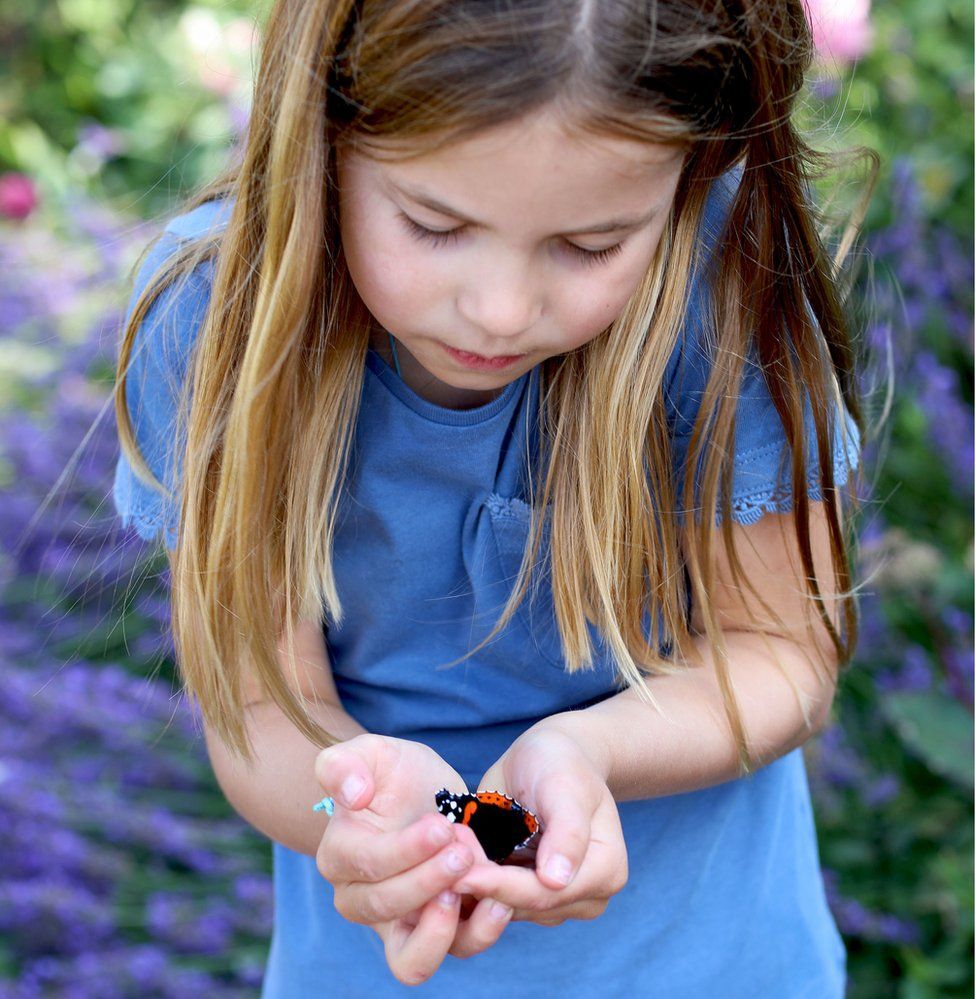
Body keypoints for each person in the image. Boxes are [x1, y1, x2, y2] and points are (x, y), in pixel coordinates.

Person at [112, 0, 875, 994]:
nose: (501, 309)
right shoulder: (218, 325)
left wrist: (589, 749)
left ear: (695, 173)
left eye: (592, 244)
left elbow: (781, 653)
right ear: (324, 136)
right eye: (434, 225)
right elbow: (258, 704)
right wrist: (367, 805)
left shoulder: (721, 284)